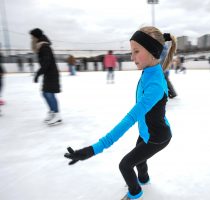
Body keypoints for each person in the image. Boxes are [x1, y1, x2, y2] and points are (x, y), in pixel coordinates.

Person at [64, 26, 176, 200]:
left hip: (157, 136)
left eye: (136, 51)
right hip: (147, 131)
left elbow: (130, 119)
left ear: (152, 51)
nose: (132, 57)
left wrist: (93, 149)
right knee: (139, 160)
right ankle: (144, 180)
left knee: (125, 165)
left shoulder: (154, 84)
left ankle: (135, 193)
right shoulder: (149, 72)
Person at [30, 28, 62, 125]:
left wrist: (37, 74)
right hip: (48, 73)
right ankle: (52, 111)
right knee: (45, 93)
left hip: (51, 73)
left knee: (49, 93)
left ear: (36, 37)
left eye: (32, 37)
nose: (31, 39)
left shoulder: (44, 47)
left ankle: (57, 115)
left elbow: (46, 63)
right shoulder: (42, 46)